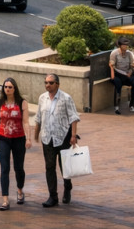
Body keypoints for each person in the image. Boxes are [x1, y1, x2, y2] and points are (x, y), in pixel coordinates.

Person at [34, 73, 80, 208]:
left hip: (63, 137)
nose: (47, 85)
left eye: (50, 83)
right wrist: (36, 133)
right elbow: (38, 117)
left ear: (57, 84)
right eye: (46, 83)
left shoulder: (66, 98)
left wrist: (73, 136)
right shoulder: (42, 98)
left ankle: (67, 187)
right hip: (47, 138)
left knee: (64, 167)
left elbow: (73, 117)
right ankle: (52, 196)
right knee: (49, 167)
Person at [0, 77, 32, 211]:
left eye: (10, 87)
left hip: (19, 138)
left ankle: (20, 190)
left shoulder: (22, 103)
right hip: (3, 138)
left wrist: (28, 138)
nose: (7, 89)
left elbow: (25, 122)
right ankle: (5, 200)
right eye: (5, 87)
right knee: (5, 168)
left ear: (14, 89)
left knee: (19, 168)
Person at [110, 36, 134, 113]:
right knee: (118, 85)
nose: (126, 47)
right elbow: (112, 66)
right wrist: (115, 75)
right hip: (118, 75)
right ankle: (117, 107)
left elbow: (132, 64)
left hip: (127, 74)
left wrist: (131, 71)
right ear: (120, 46)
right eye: (124, 45)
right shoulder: (114, 53)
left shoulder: (129, 54)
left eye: (127, 45)